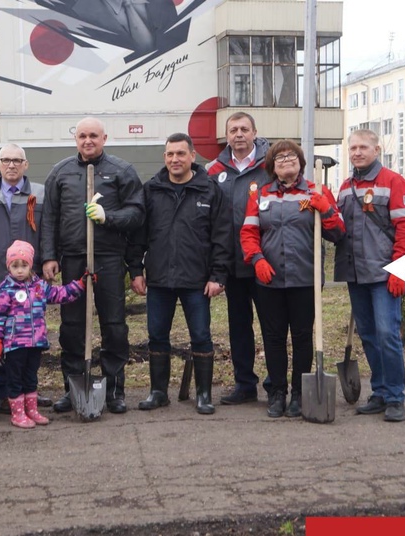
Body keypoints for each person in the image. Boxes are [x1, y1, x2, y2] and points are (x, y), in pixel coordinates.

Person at [41, 116, 144, 414]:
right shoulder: (60, 173)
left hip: (109, 259)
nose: (88, 141)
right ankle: (73, 388)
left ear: (104, 138)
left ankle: (113, 391)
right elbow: (49, 218)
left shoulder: (122, 172)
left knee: (114, 326)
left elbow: (137, 214)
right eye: (83, 136)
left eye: (94, 136)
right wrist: (49, 255)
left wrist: (108, 217)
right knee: (72, 326)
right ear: (76, 138)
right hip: (73, 259)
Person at [128, 133, 234, 415]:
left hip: (197, 281)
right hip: (159, 279)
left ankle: (203, 395)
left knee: (201, 335)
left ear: (192, 156)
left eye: (180, 154)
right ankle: (158, 392)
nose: (175, 159)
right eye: (170, 154)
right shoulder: (151, 190)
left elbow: (222, 237)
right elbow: (138, 235)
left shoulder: (210, 191)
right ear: (165, 158)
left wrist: (218, 275)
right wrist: (136, 270)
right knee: (156, 335)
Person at [240, 140, 345, 418]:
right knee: (273, 338)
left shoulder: (317, 192)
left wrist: (327, 210)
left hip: (304, 280)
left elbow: (338, 233)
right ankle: (277, 392)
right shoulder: (261, 195)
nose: (286, 160)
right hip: (269, 280)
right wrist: (257, 259)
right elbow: (249, 233)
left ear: (300, 162)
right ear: (272, 166)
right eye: (280, 157)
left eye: (292, 156)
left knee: (301, 338)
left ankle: (299, 392)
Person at [334, 129, 405, 423]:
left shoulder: (394, 183)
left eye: (363, 147)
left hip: (384, 274)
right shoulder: (345, 187)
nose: (357, 152)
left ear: (376, 149)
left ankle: (395, 397)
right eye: (352, 148)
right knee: (369, 335)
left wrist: (400, 269)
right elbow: (339, 229)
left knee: (387, 334)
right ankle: (380, 392)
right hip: (355, 273)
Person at [0, 143, 53, 414]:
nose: (12, 165)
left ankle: (26, 392)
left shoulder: (40, 193)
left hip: (30, 285)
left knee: (28, 342)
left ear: (26, 164)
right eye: (6, 160)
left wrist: (49, 258)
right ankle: (2, 393)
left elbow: (49, 229)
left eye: (17, 160)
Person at [206, 112, 271, 405]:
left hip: (265, 261)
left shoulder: (271, 166)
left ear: (255, 132)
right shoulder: (214, 170)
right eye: (233, 130)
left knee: (272, 325)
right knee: (239, 327)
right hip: (232, 262)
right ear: (226, 135)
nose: (239, 134)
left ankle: (276, 384)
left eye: (244, 129)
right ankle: (244, 384)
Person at [0, 240, 86, 428]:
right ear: (9, 267)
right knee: (15, 378)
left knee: (31, 376)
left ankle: (31, 410)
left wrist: (79, 285)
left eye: (24, 265)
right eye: (15, 266)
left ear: (30, 265)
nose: (19, 270)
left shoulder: (39, 286)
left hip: (35, 342)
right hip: (15, 344)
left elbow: (59, 294)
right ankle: (17, 413)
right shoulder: (6, 289)